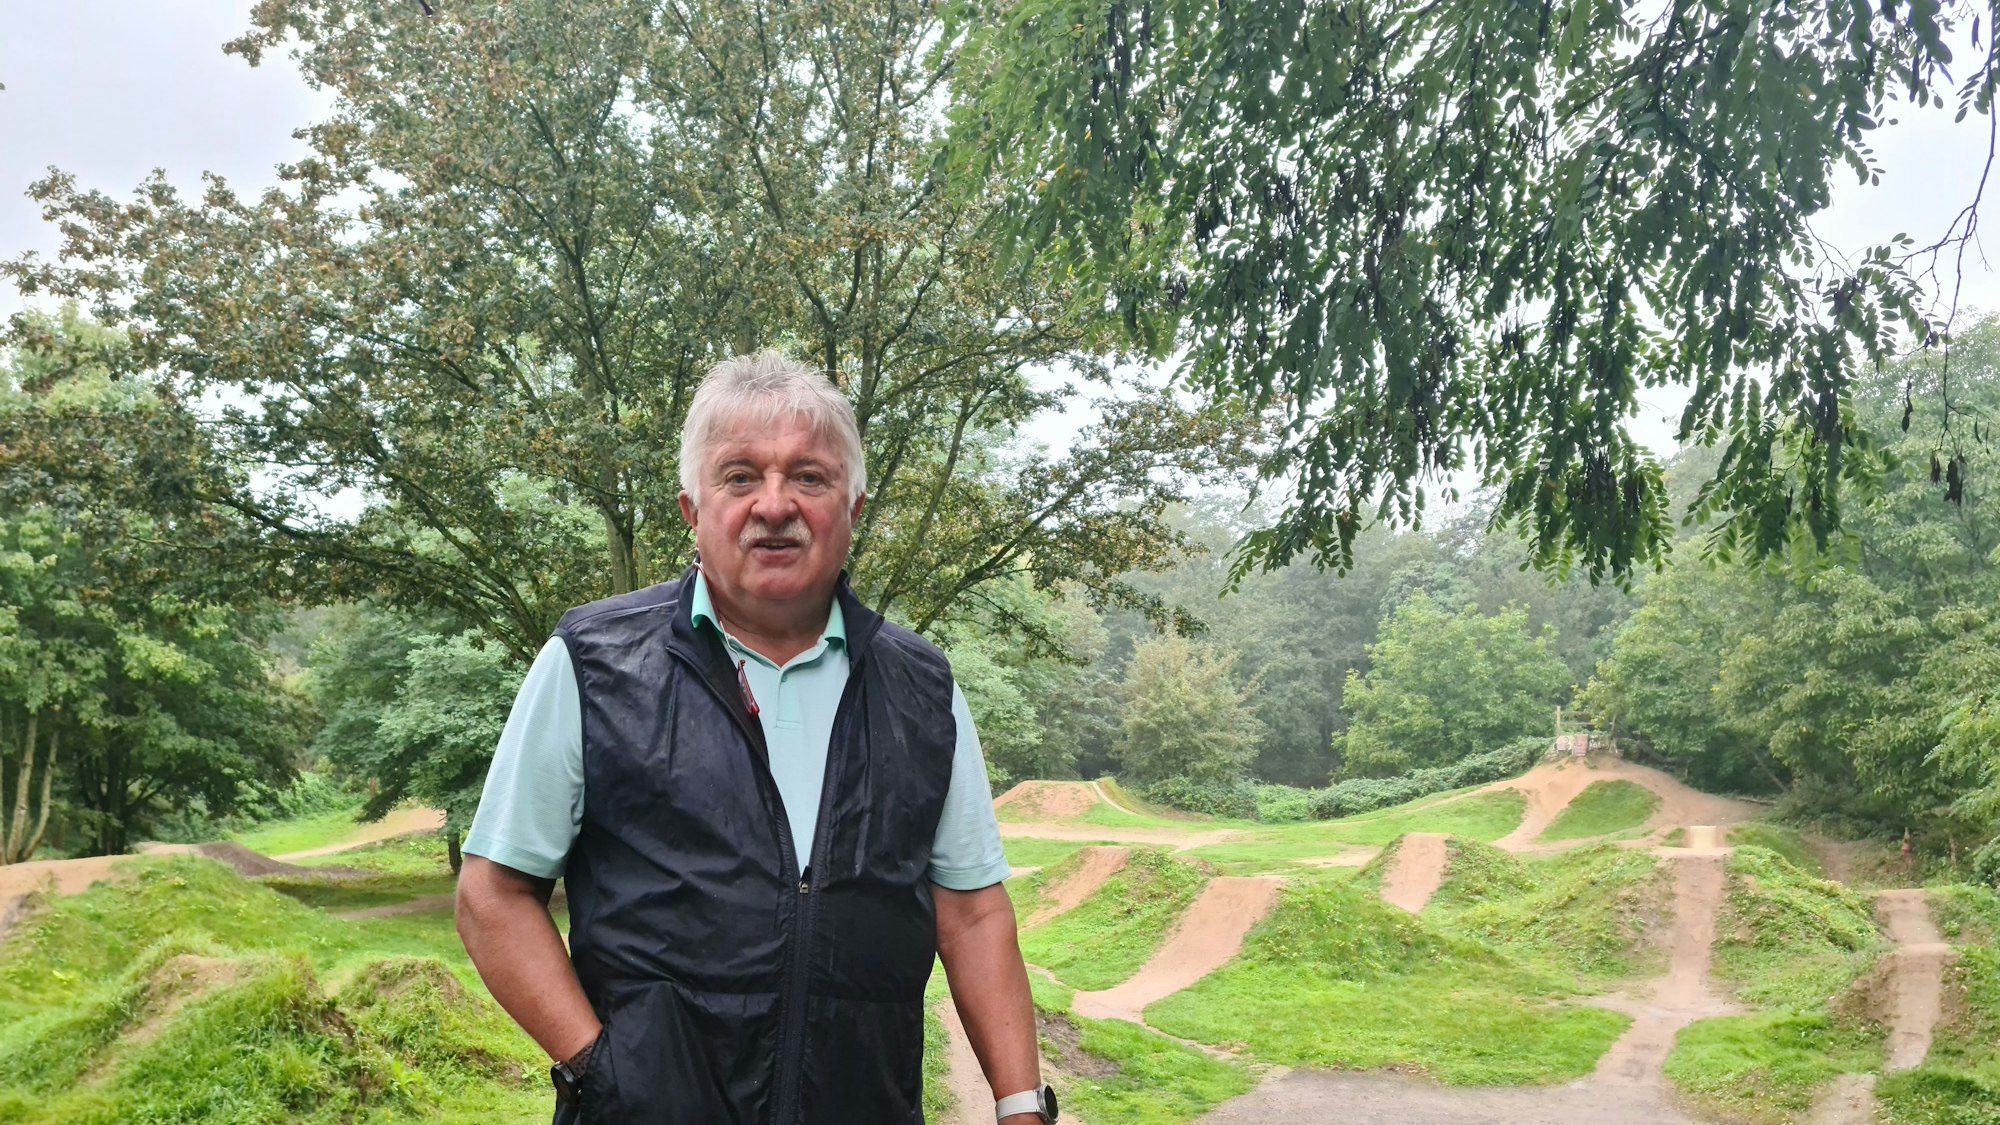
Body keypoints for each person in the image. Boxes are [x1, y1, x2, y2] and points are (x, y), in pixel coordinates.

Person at [454, 351, 1056, 1124]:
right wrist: (607, 1075)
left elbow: (972, 912)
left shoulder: (924, 690)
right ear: (691, 508)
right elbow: (492, 895)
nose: (775, 505)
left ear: (854, 507)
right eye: (740, 476)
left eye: (809, 476)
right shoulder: (591, 663)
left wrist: (1020, 1107)